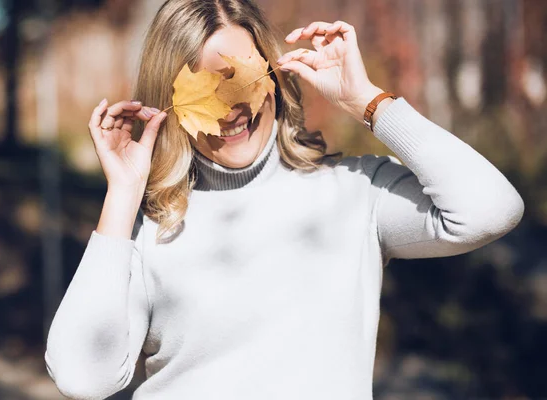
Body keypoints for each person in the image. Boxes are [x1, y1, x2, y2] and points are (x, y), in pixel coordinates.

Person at [44, 0, 525, 399]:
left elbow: (490, 210)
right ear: (171, 106)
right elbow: (83, 376)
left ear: (273, 74)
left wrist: (368, 102)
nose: (231, 108)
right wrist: (125, 193)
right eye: (205, 90)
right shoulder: (148, 228)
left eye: (242, 77)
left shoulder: (358, 193)